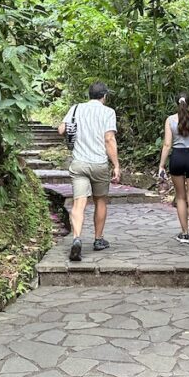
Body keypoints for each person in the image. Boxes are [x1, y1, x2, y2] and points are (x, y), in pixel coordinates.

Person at [58, 82, 121, 261]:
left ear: (89, 95)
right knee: (100, 200)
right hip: (99, 164)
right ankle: (98, 239)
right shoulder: (108, 112)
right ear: (104, 96)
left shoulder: (76, 109)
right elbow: (109, 139)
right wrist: (116, 164)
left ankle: (77, 238)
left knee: (79, 203)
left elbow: (61, 129)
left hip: (79, 163)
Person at [157, 92, 189, 247]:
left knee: (180, 197)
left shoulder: (170, 120)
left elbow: (167, 144)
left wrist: (161, 165)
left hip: (177, 158)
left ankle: (185, 233)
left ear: (176, 103)